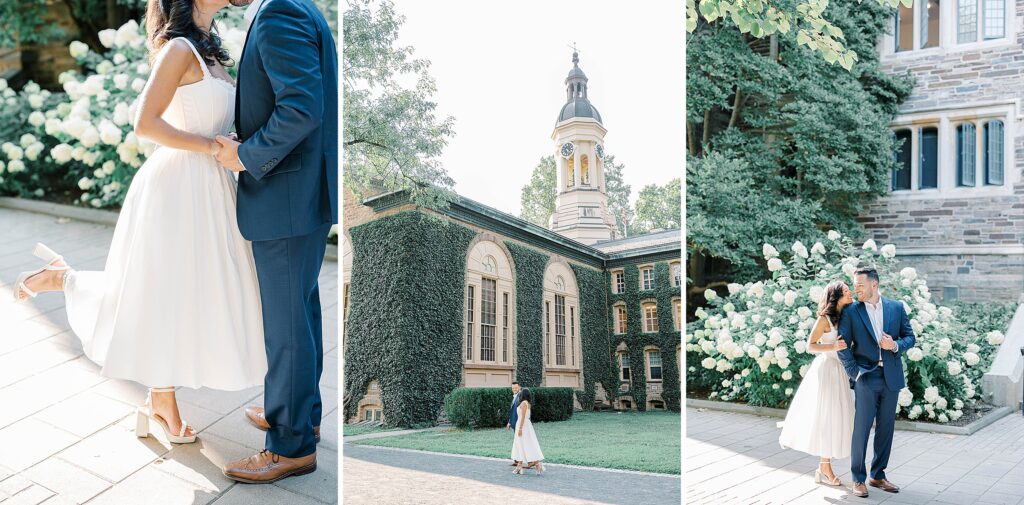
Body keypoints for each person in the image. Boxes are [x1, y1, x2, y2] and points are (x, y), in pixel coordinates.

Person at [11, 0, 269, 446]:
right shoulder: (179, 49)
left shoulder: (211, 51)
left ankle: (64, 278)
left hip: (213, 186)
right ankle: (161, 398)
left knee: (194, 292)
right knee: (161, 292)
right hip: (177, 185)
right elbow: (144, 124)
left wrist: (231, 143)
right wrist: (211, 146)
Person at [214, 0, 337, 484]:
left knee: (286, 328)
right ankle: (302, 416)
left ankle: (290, 445)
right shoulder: (295, 6)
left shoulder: (280, 11)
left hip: (286, 196)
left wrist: (246, 155)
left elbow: (301, 107)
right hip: (300, 194)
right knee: (301, 316)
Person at [837, 267, 916, 498]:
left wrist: (894, 345)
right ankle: (858, 478)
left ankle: (878, 475)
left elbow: (910, 337)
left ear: (874, 285)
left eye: (860, 285)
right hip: (866, 376)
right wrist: (855, 372)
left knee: (886, 428)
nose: (856, 290)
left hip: (891, 376)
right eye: (855, 286)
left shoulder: (896, 307)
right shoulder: (851, 311)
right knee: (861, 429)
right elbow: (842, 345)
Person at [778, 280, 855, 486]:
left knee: (836, 418)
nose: (850, 293)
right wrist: (833, 347)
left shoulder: (846, 316)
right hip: (826, 370)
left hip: (839, 371)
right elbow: (810, 346)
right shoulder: (824, 319)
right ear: (836, 296)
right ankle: (825, 467)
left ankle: (824, 466)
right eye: (846, 291)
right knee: (826, 417)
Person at [511, 388, 545, 476]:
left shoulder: (524, 403)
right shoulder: (527, 403)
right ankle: (521, 465)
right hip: (524, 425)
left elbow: (522, 417)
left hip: (523, 426)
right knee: (522, 445)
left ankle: (536, 464)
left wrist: (520, 428)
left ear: (523, 395)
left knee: (524, 445)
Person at [506, 381, 522, 467]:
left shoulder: (520, 397)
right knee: (517, 442)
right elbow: (513, 411)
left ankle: (523, 460)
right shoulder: (515, 396)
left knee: (520, 442)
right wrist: (509, 422)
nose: (514, 389)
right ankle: (517, 460)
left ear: (519, 387)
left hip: (519, 423)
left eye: (516, 388)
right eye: (513, 388)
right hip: (514, 422)